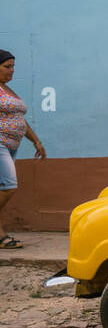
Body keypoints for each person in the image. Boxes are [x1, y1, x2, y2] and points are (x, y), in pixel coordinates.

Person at [0, 50, 47, 250]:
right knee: (9, 186)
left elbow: (20, 120)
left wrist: (36, 141)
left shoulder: (8, 90)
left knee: (3, 188)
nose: (12, 70)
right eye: (7, 66)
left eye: (13, 66)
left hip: (12, 146)